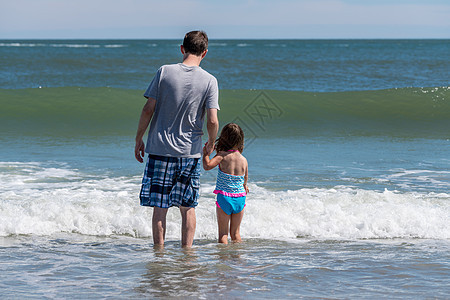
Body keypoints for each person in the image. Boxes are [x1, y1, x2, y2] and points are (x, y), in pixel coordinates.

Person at [134, 31, 219, 248]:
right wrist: (211, 142)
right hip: (189, 153)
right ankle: (187, 254)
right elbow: (212, 119)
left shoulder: (164, 72)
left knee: (160, 207)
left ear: (182, 48)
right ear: (205, 53)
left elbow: (148, 109)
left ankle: (159, 254)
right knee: (187, 206)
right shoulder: (210, 80)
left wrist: (139, 138)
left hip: (160, 149)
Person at [202, 123, 249, 244]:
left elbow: (207, 166)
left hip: (225, 197)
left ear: (224, 138)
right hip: (240, 198)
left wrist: (206, 154)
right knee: (236, 233)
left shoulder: (222, 156)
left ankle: (223, 261)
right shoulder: (244, 160)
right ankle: (237, 258)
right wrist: (245, 186)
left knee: (223, 234)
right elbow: (245, 181)